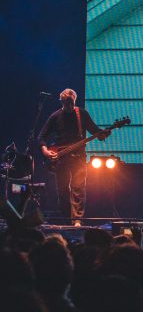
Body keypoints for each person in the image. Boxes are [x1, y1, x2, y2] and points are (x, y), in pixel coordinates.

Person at [38, 89, 109, 225]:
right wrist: (45, 151)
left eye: (71, 103)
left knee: (78, 188)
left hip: (78, 158)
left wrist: (103, 134)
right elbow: (41, 136)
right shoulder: (55, 116)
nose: (69, 106)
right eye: (66, 103)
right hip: (60, 158)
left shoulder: (81, 114)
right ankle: (66, 220)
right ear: (62, 102)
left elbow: (94, 130)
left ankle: (77, 220)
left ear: (74, 101)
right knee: (63, 190)